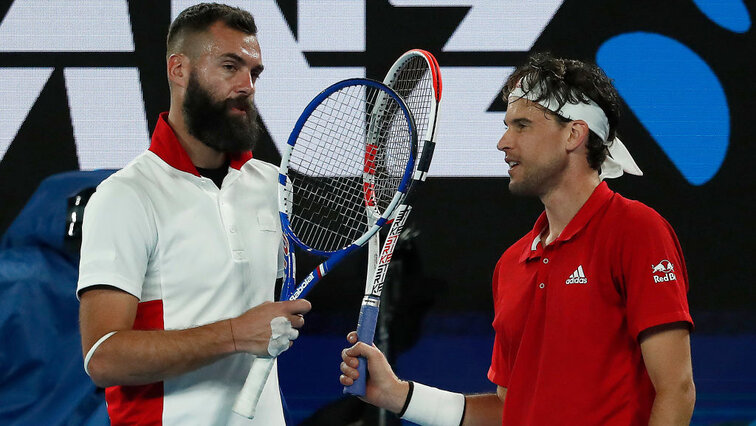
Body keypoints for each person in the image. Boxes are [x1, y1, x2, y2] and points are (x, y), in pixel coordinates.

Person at [339, 53, 695, 425]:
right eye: (507, 125)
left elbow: (676, 390)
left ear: (574, 134)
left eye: (521, 125)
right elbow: (510, 410)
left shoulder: (636, 230)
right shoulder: (511, 264)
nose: (503, 142)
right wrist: (397, 394)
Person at [77, 4, 311, 425]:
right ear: (179, 69)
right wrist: (237, 334)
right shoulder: (125, 196)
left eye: (254, 73)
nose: (247, 86)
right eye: (229, 66)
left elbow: (269, 321)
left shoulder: (272, 185)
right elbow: (103, 357)